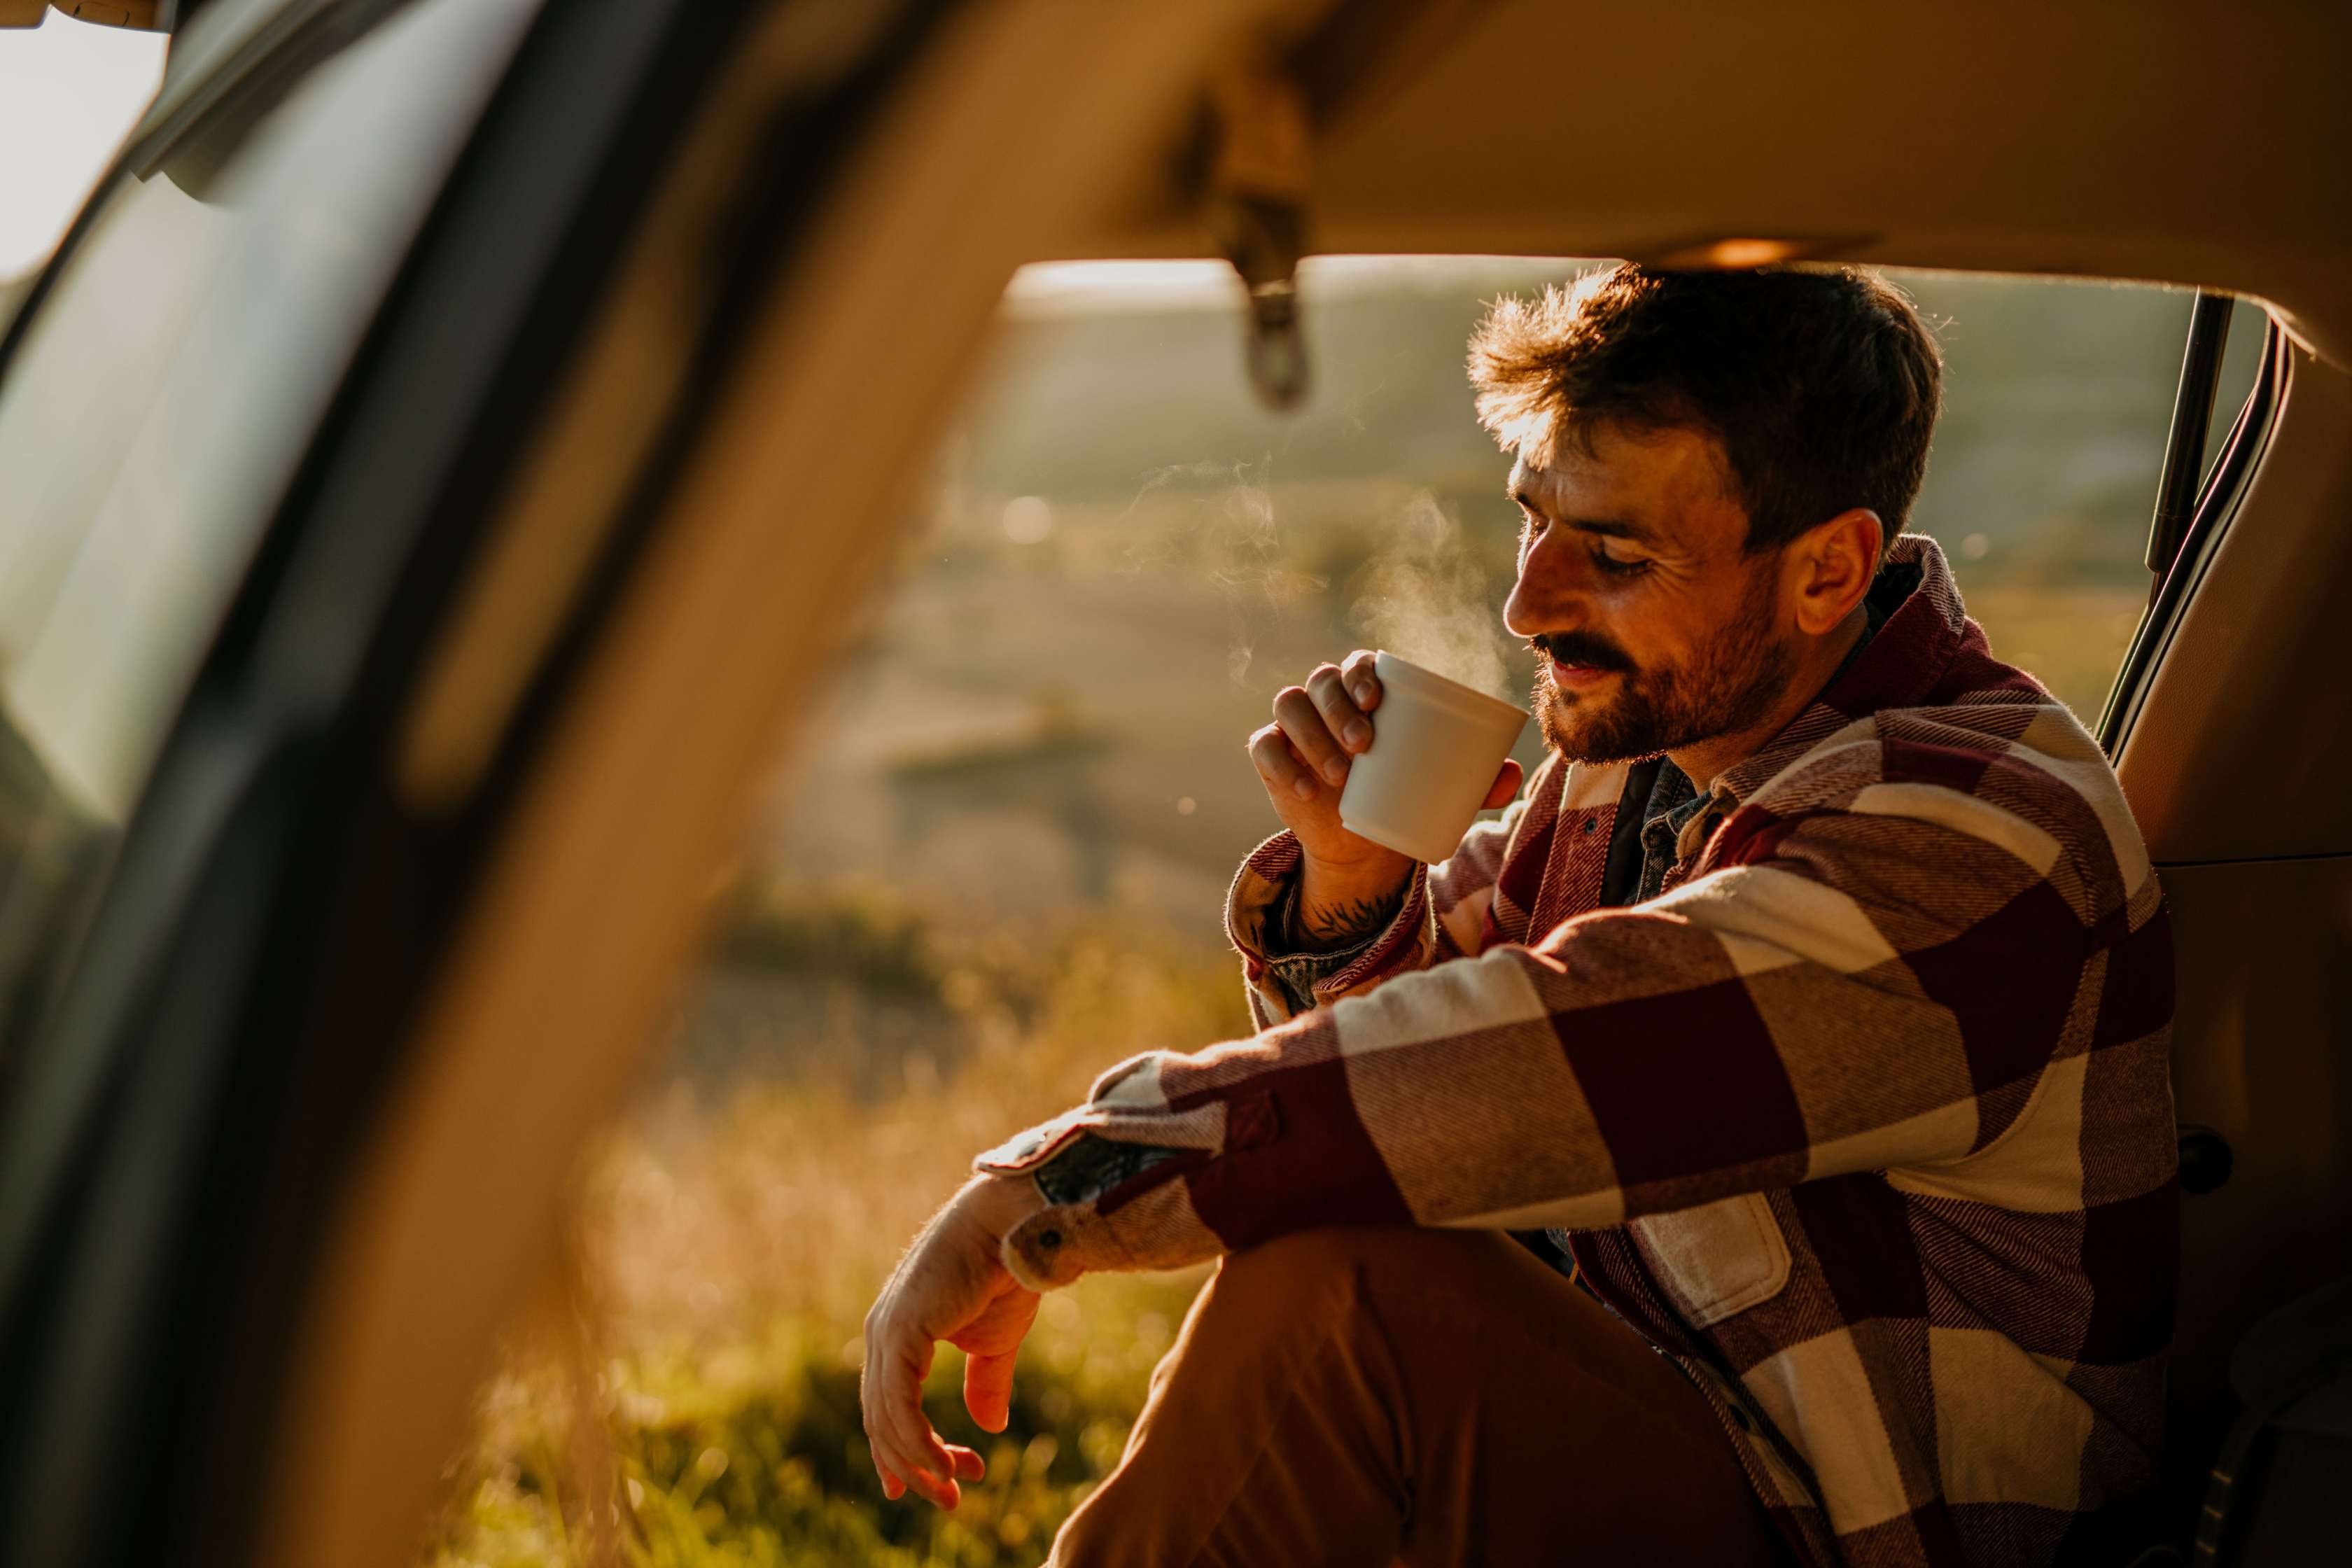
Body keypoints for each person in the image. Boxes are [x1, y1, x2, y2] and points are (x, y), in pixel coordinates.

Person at [860, 264, 2178, 1567]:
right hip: (1682, 1436)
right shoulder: (1645, 749)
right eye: (1531, 520)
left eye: (1612, 554)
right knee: (1342, 1253)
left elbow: (1532, 1070)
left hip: (1861, 1526)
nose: (1527, 603)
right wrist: (1352, 883)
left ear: (1828, 572)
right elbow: (1406, 1121)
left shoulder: (1975, 831)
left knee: (1346, 1306)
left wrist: (1061, 1186)